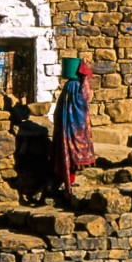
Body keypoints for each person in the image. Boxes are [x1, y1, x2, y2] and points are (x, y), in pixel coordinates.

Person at [53, 58, 95, 195]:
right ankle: (69, 181)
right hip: (76, 125)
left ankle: (67, 180)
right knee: (71, 153)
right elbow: (86, 99)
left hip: (66, 124)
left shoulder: (68, 86)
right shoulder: (77, 86)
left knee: (66, 153)